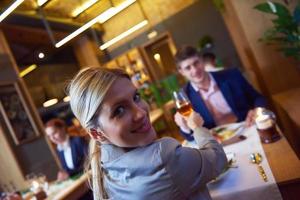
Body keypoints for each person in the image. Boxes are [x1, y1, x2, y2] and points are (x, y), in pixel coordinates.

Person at [67, 67, 227, 200]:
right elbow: (218, 158)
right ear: (96, 133)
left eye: (136, 97)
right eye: (119, 110)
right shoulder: (163, 157)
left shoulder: (103, 172)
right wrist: (197, 127)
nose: (141, 113)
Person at [174, 46, 267, 141]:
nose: (194, 70)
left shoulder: (232, 75)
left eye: (196, 63)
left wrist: (257, 110)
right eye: (188, 68)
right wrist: (184, 127)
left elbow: (258, 98)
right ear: (181, 72)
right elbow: (191, 138)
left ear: (202, 60)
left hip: (247, 129)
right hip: (216, 142)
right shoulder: (184, 97)